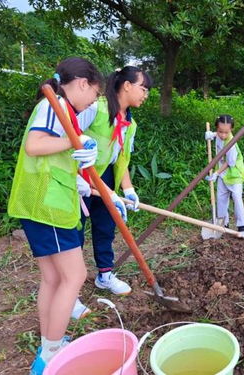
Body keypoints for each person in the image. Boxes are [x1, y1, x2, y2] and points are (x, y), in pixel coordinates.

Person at [7, 57, 103, 375]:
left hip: (40, 203)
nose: (94, 101)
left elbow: (55, 157)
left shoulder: (62, 110)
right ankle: (51, 353)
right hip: (48, 206)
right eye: (95, 93)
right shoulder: (56, 104)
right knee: (75, 276)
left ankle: (48, 346)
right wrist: (75, 142)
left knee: (52, 277)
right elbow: (35, 145)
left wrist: (82, 181)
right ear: (82, 84)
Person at [72, 66, 153, 317]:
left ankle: (104, 275)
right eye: (144, 88)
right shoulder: (95, 109)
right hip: (77, 178)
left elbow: (122, 159)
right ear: (127, 85)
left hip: (104, 177)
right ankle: (69, 293)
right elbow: (68, 140)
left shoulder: (130, 123)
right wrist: (75, 176)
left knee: (106, 227)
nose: (146, 95)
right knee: (73, 233)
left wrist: (127, 190)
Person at [205, 114, 244, 231]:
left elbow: (229, 163)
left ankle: (241, 225)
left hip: (235, 174)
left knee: (237, 198)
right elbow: (218, 135)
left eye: (226, 132)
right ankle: (223, 223)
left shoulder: (231, 143)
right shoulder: (218, 135)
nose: (223, 135)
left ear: (231, 130)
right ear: (217, 128)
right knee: (221, 198)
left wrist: (216, 173)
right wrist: (212, 135)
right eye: (220, 132)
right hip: (223, 174)